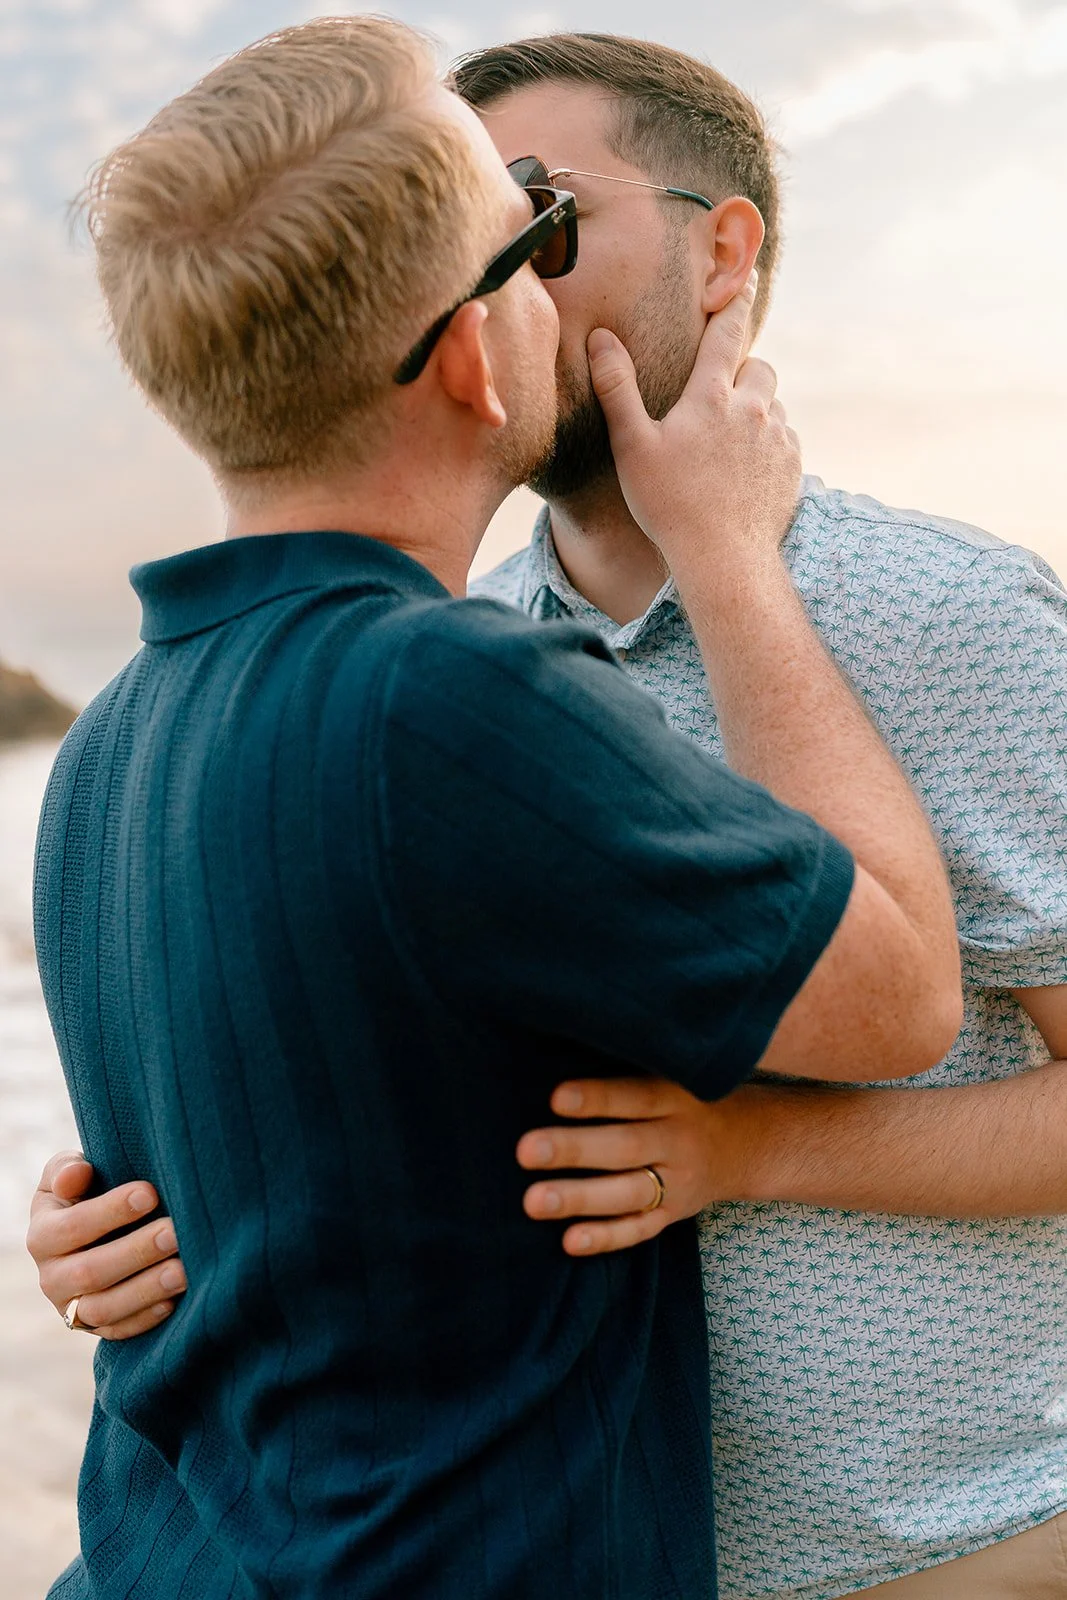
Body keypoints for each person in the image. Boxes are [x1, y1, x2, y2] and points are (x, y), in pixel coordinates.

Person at [27, 21, 966, 1600]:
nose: (557, 289)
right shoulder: (450, 698)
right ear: (472, 354)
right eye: (526, 244)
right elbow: (901, 995)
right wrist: (729, 555)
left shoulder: (107, 745)